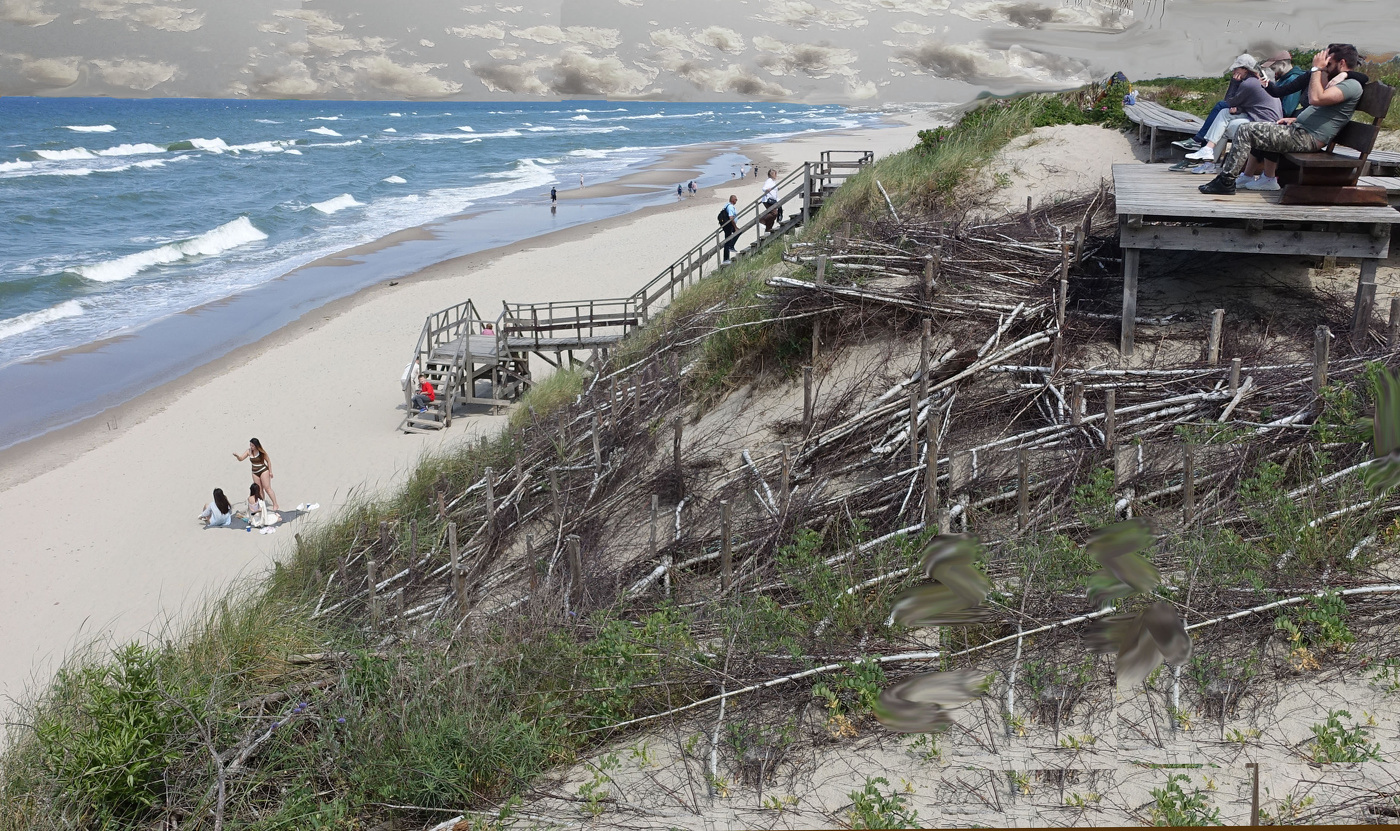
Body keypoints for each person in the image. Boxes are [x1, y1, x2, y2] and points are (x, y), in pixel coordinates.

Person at [1200, 44, 1365, 195]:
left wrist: (1318, 69)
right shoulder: (1338, 79)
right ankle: (1249, 177)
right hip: (1301, 131)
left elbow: (1316, 99)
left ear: (1341, 63)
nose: (1325, 67)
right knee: (1261, 128)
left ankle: (1225, 181)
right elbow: (1293, 96)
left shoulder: (1351, 85)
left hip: (1308, 139)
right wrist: (1295, 119)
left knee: (1246, 130)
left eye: (1328, 63)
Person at [1180, 56, 1281, 170]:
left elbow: (1229, 101)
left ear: (1245, 69)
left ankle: (1209, 161)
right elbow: (1252, 105)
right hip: (1264, 119)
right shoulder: (1256, 81)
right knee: (1223, 114)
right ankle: (1207, 153)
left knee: (1224, 126)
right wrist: (1239, 109)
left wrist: (1234, 83)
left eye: (1236, 69)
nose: (1234, 72)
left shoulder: (1248, 84)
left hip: (1264, 124)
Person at [233, 437, 280, 511]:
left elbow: (268, 461)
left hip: (263, 470)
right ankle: (262, 504)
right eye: (250, 445)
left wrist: (270, 472)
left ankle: (275, 504)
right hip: (255, 472)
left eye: (252, 445)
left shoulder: (261, 452)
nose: (251, 447)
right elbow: (241, 459)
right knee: (259, 490)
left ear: (256, 445)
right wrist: (237, 456)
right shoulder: (248, 451)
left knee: (267, 488)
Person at [1260, 50, 1309, 117]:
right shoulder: (1283, 79)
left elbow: (1287, 111)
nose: (1272, 71)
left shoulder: (1293, 79)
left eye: (1273, 68)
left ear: (1283, 64)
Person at [720, 194, 739, 262]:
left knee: (738, 232)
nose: (736, 201)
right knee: (727, 241)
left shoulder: (727, 205)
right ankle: (726, 259)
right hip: (729, 225)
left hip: (728, 225)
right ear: (733, 200)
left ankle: (731, 246)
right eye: (736, 199)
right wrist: (735, 227)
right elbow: (731, 218)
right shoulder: (730, 207)